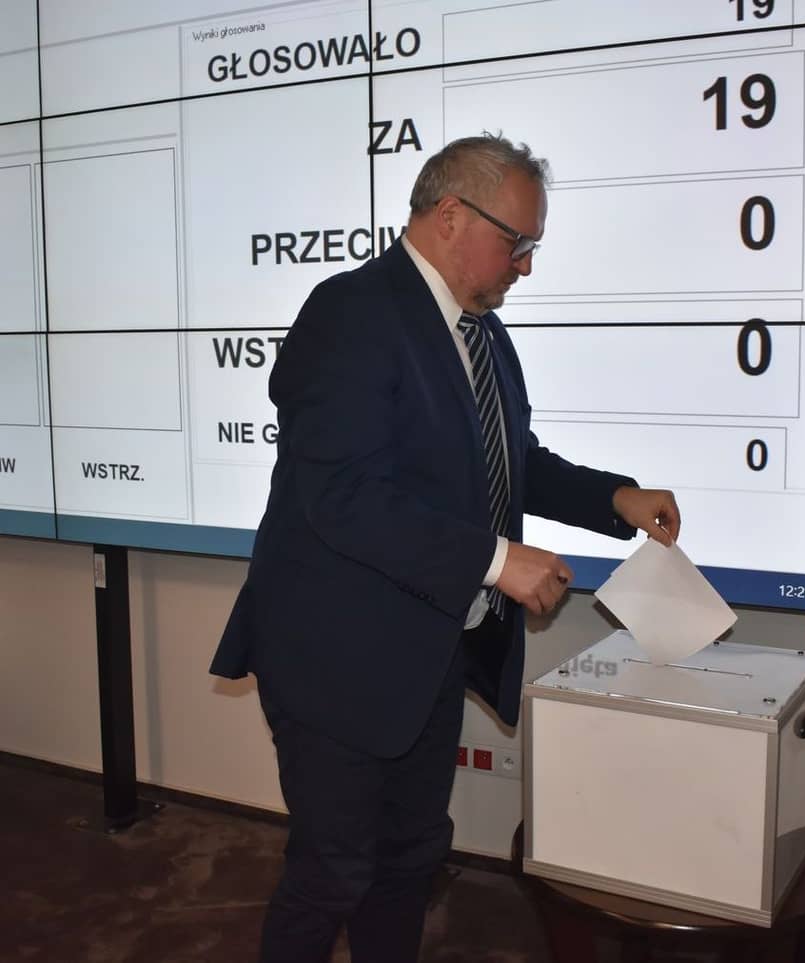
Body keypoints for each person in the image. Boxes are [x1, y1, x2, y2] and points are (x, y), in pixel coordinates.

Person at [210, 133, 681, 963]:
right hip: (332, 656)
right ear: (452, 216)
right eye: (517, 242)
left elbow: (512, 459)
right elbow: (342, 494)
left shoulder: (483, 334)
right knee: (333, 871)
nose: (525, 265)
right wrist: (497, 560)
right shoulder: (351, 312)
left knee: (409, 860)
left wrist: (615, 498)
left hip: (425, 651)